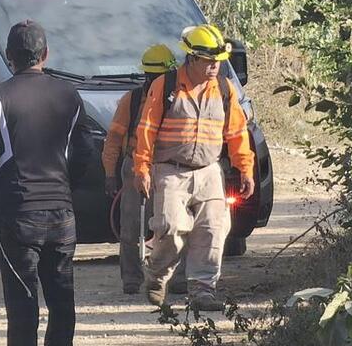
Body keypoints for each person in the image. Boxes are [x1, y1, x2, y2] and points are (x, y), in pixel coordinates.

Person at [0, 20, 92, 346]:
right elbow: (85, 153)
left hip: (18, 213)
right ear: (45, 54)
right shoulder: (69, 95)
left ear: (10, 57)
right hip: (61, 213)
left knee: (22, 293)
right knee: (61, 292)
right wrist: (64, 187)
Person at [132, 24, 256, 312]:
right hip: (170, 170)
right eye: (209, 61)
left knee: (214, 228)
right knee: (170, 229)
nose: (215, 66)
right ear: (192, 58)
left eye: (218, 61)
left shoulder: (224, 89)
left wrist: (245, 169)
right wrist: (142, 169)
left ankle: (202, 290)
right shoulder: (165, 86)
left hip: (209, 170)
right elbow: (147, 130)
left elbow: (237, 133)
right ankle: (157, 275)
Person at [101, 44, 186, 295]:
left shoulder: (180, 99)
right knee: (130, 227)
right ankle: (131, 279)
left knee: (174, 226)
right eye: (149, 75)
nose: (153, 80)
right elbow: (114, 138)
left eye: (157, 76)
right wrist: (109, 173)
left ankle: (176, 278)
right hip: (135, 167)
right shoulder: (133, 99)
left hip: (170, 168)